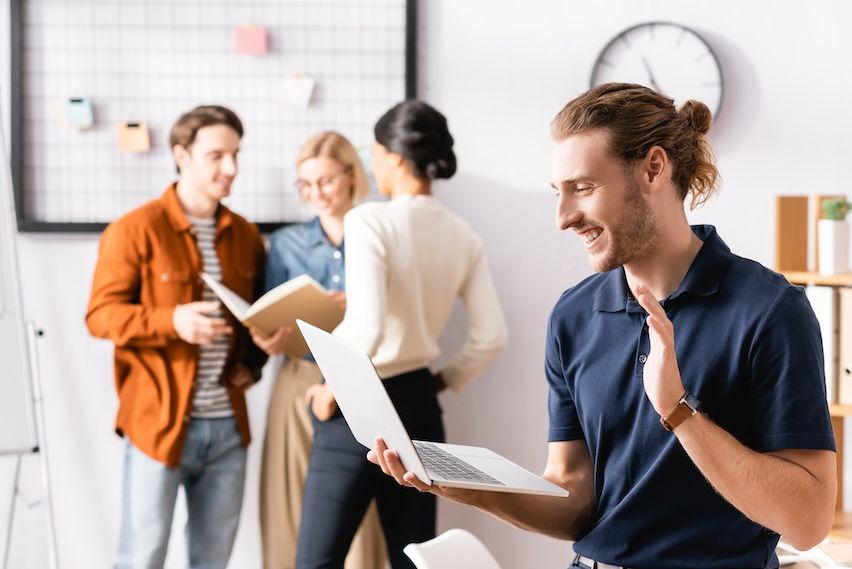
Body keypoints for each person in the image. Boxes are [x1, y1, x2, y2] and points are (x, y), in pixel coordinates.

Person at [369, 83, 837, 569]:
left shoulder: (770, 310)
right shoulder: (574, 315)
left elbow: (808, 522)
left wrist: (679, 412)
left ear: (654, 168)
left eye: (583, 188)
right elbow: (575, 497)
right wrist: (466, 488)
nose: (564, 217)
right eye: (559, 193)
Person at [295, 100, 509, 569]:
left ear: (393, 156)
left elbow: (367, 325)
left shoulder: (369, 219)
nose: (372, 166)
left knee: (317, 560)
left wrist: (331, 386)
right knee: (416, 559)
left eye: (372, 154)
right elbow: (491, 336)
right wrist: (443, 381)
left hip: (361, 399)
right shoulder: (463, 233)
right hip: (419, 402)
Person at [86, 105, 267, 569]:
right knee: (141, 557)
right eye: (216, 155)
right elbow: (101, 316)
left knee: (213, 561)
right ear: (181, 155)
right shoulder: (134, 229)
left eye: (236, 155)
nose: (230, 168)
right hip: (158, 423)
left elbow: (254, 321)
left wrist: (256, 360)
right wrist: (172, 322)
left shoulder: (245, 235)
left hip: (228, 427)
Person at [251, 131, 386, 569]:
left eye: (325, 181)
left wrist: (357, 304)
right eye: (305, 186)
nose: (316, 195)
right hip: (301, 379)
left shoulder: (378, 229)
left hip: (361, 378)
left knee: (358, 507)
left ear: (350, 175)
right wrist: (266, 336)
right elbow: (271, 316)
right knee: (293, 500)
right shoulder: (287, 243)